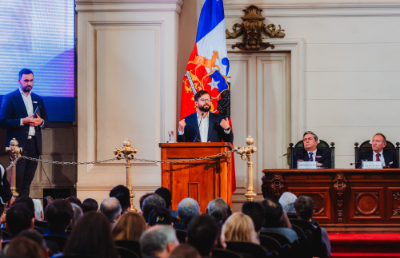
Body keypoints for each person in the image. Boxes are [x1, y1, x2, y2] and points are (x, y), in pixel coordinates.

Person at [0, 68, 49, 197]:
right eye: (26, 80)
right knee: (18, 182)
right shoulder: (10, 98)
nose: (29, 83)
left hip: (34, 145)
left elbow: (46, 121)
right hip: (18, 146)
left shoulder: (38, 98)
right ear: (19, 81)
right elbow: (2, 121)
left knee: (27, 182)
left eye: (31, 80)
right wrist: (23, 121)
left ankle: (24, 211)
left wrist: (41, 122)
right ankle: (14, 211)